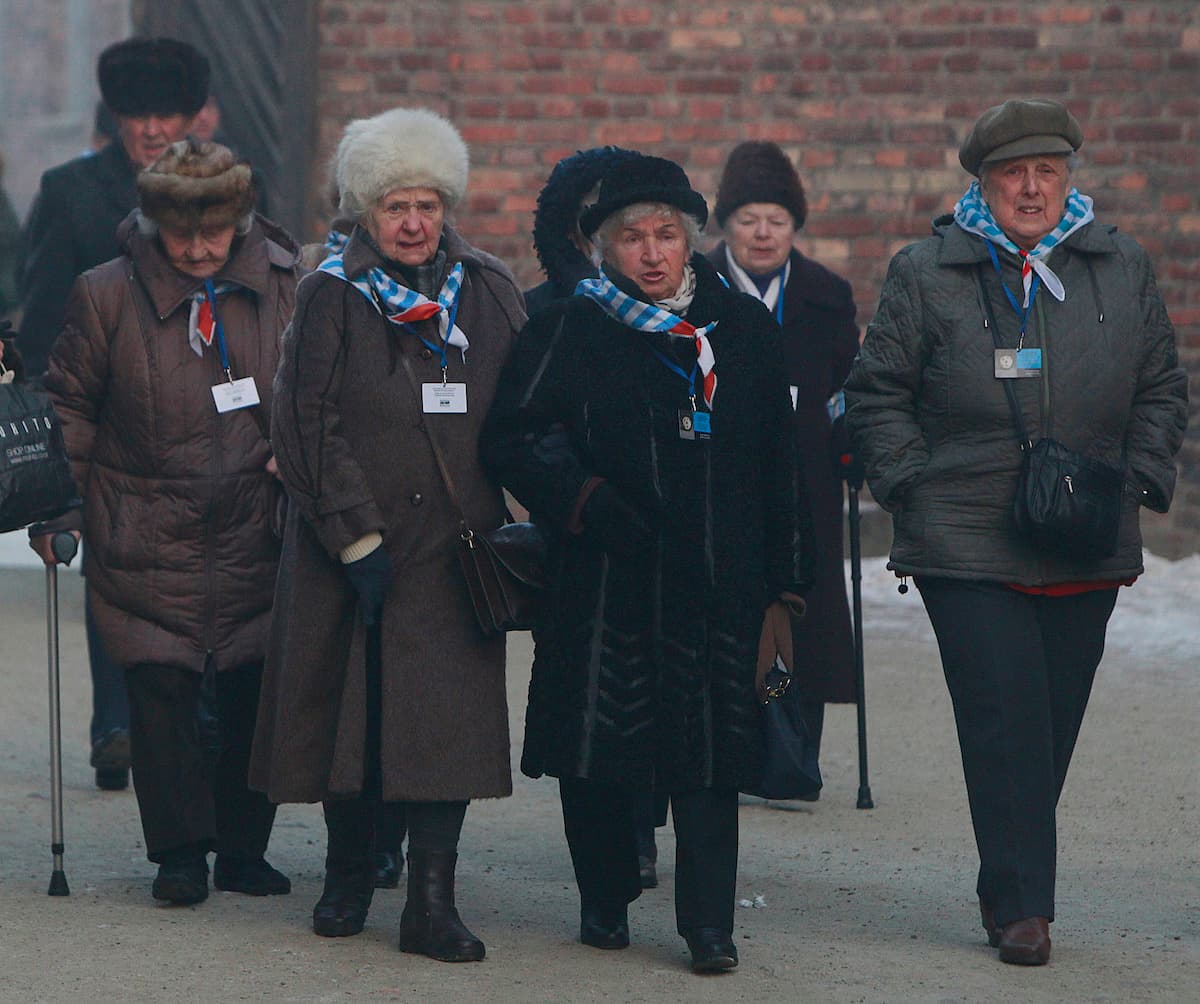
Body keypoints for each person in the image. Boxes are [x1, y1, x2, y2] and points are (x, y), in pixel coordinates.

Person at [844, 98, 1188, 966]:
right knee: (1004, 717)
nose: (1031, 189)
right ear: (983, 184)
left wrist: (1140, 480)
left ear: (1069, 179)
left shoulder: (1121, 265)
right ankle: (1022, 907)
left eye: (1048, 172)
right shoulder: (928, 272)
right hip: (966, 534)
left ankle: (1010, 878)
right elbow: (877, 392)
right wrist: (911, 487)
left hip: (1084, 529)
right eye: (1012, 174)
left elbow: (1160, 386)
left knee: (1048, 724)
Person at [481, 153, 815, 973]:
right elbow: (512, 439)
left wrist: (786, 581)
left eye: (667, 234)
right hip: (604, 578)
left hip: (717, 583)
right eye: (632, 238)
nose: (653, 252)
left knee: (712, 761)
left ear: (691, 239)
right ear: (604, 248)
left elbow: (781, 460)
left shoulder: (741, 330)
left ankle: (709, 925)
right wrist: (586, 501)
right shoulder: (569, 325)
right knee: (596, 752)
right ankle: (603, 897)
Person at [249, 107, 526, 962]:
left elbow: (522, 409)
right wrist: (353, 536)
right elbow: (303, 423)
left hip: (455, 548)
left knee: (445, 728)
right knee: (351, 718)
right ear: (364, 211)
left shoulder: (485, 288)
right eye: (395, 206)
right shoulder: (330, 291)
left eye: (428, 204)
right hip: (351, 548)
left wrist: (524, 511)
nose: (414, 223)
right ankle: (347, 873)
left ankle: (432, 906)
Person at [32, 138, 300, 905]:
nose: (196, 248)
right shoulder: (105, 292)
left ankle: (245, 850)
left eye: (212, 230)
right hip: (142, 519)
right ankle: (180, 853)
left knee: (253, 692)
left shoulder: (288, 283)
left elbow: (316, 387)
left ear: (240, 219)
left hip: (257, 519)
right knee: (161, 698)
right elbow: (72, 406)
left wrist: (303, 459)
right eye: (180, 232)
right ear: (152, 224)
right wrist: (59, 507)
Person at [19, 36, 209, 792]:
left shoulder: (222, 187)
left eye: (167, 114)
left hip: (201, 412)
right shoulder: (72, 190)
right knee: (114, 571)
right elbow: (41, 316)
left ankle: (190, 722)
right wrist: (40, 422)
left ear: (190, 118)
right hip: (107, 409)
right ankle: (118, 724)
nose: (153, 130)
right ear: (117, 118)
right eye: (138, 116)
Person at [708, 141, 860, 786]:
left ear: (795, 225)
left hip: (809, 483)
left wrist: (854, 437)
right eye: (748, 219)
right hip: (720, 478)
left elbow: (850, 384)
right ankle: (729, 747)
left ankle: (798, 753)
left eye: (777, 219)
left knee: (809, 609)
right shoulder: (701, 289)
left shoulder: (825, 295)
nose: (763, 233)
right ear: (726, 225)